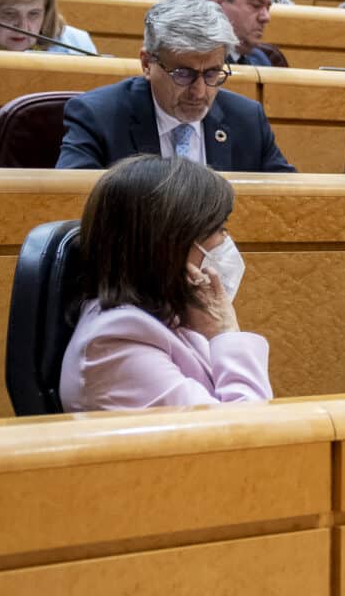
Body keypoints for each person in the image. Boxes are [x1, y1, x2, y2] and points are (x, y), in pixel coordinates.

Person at [57, 155, 272, 411]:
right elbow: (247, 433)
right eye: (219, 228)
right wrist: (225, 332)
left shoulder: (170, 316)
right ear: (171, 243)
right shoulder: (116, 342)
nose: (226, 240)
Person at [57, 0, 294, 172]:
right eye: (183, 74)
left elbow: (289, 202)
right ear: (147, 64)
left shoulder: (247, 119)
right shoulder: (97, 116)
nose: (200, 92)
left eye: (212, 73)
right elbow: (73, 204)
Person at [198, 0, 280, 67]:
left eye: (268, 8)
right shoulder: (191, 60)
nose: (266, 17)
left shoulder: (261, 60)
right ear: (217, 4)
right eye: (256, 5)